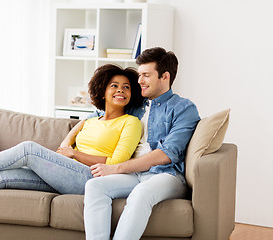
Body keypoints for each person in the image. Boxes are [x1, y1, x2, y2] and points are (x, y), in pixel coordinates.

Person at [0, 64, 143, 203]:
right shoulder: (92, 120)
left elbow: (117, 163)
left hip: (92, 179)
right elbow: (71, 136)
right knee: (7, 176)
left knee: (28, 150)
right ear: (102, 90)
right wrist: (66, 147)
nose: (121, 90)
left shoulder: (131, 123)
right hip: (65, 174)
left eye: (126, 87)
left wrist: (74, 155)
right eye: (114, 85)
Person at [83, 47, 201, 240]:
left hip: (167, 175)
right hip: (134, 174)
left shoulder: (184, 108)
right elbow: (97, 116)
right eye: (139, 75)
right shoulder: (136, 106)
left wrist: (116, 168)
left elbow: (166, 154)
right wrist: (70, 137)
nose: (139, 81)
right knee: (95, 186)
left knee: (142, 193)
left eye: (146, 75)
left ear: (165, 77)